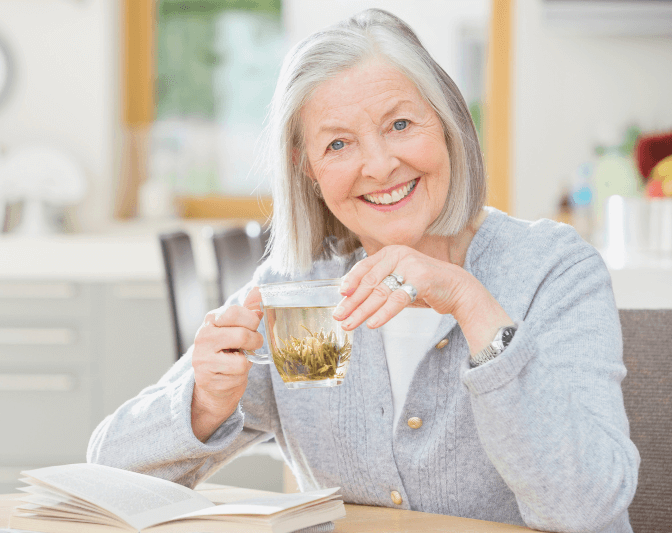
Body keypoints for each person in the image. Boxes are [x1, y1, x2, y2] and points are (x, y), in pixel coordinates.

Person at [88, 9, 638, 532]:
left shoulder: (551, 270)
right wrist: (203, 403)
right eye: (338, 144)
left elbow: (585, 508)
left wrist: (471, 303)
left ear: (447, 124)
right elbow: (106, 473)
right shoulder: (296, 296)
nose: (378, 165)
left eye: (400, 124)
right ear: (308, 168)